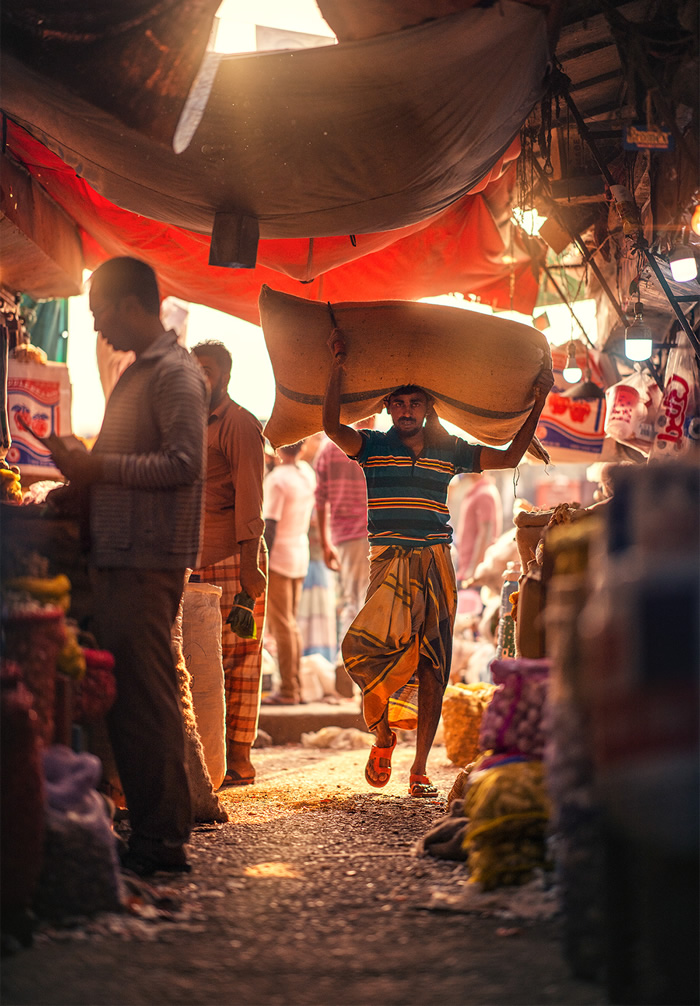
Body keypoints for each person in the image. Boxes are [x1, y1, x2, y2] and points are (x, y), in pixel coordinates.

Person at [322, 331, 553, 797]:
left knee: (433, 664)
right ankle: (384, 734)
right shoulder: (369, 446)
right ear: (388, 408)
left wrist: (539, 400)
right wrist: (338, 367)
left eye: (415, 402)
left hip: (435, 564)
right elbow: (330, 427)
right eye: (399, 403)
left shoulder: (451, 451)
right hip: (387, 564)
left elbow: (508, 455)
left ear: (427, 408)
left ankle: (419, 769)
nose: (406, 410)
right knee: (367, 652)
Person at [47, 256, 208, 875]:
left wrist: (98, 469)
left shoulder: (174, 373)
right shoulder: (145, 372)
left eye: (98, 314)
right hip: (124, 556)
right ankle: (150, 832)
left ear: (129, 305)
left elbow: (183, 463)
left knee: (147, 700)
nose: (98, 329)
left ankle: (163, 841)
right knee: (135, 700)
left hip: (148, 560)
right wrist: (79, 482)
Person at [190, 340, 267, 787]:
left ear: (225, 375)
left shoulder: (238, 423)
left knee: (241, 661)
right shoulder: (187, 422)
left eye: (208, 370)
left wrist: (250, 566)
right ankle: (208, 757)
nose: (201, 376)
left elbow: (251, 499)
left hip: (236, 559)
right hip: (195, 560)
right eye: (194, 368)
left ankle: (239, 759)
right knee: (203, 661)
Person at [314, 421, 372, 687]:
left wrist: (327, 543)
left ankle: (348, 664)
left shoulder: (329, 449)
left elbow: (321, 500)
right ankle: (350, 666)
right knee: (362, 601)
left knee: (354, 598)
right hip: (371, 533)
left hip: (345, 538)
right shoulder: (375, 444)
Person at [262, 441, 316, 705]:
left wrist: (260, 560)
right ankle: (295, 686)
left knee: (283, 626)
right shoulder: (306, 473)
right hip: (298, 553)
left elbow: (269, 525)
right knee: (290, 624)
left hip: (278, 557)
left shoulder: (277, 480)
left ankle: (288, 690)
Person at [455, 472, 503, 587]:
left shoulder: (484, 493)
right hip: (467, 569)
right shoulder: (477, 491)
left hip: (474, 574)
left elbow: (486, 534)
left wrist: (474, 571)